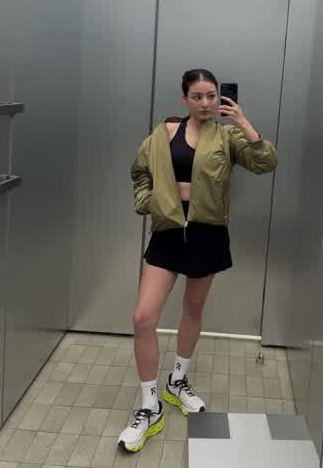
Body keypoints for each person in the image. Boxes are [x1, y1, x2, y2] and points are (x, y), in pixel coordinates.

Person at [118, 69, 278, 452]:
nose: (206, 103)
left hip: (208, 235)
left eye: (212, 96)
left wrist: (243, 122)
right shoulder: (164, 134)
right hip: (169, 232)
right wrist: (148, 202)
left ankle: (177, 381)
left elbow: (266, 162)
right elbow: (140, 171)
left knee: (192, 310)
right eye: (198, 96)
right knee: (143, 317)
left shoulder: (227, 137)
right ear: (185, 99)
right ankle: (150, 406)